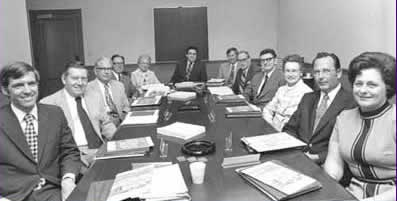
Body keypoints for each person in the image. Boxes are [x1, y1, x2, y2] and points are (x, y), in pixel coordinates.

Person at [0, 62, 81, 201]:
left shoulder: (55, 114)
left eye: (31, 83)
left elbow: (69, 151)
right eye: (18, 85)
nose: (27, 90)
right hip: (14, 196)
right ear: (5, 90)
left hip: (55, 190)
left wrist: (68, 180)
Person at [324, 52, 396, 201]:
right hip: (353, 193)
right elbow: (334, 164)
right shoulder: (343, 118)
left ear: (387, 88)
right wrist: (328, 186)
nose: (362, 90)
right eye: (358, 83)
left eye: (372, 85)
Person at [282, 52, 356, 165]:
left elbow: (349, 146)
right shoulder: (308, 98)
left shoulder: (351, 103)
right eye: (317, 72)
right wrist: (296, 151)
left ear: (339, 73)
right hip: (297, 158)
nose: (321, 76)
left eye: (326, 71)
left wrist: (318, 157)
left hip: (328, 165)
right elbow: (290, 129)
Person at [40, 61, 116, 152]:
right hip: (72, 153)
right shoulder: (48, 103)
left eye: (83, 79)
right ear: (64, 79)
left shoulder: (94, 97)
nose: (80, 83)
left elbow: (106, 123)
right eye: (75, 78)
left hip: (99, 148)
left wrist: (118, 140)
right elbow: (50, 141)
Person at [262, 54, 312, 131]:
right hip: (272, 130)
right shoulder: (281, 90)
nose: (290, 75)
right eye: (287, 71)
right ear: (283, 73)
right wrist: (270, 124)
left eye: (294, 71)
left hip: (291, 134)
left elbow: (302, 124)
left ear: (301, 73)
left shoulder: (307, 93)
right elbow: (267, 109)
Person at [86, 57, 130, 126]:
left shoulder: (119, 85)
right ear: (95, 71)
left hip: (121, 122)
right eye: (103, 69)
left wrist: (123, 117)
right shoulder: (88, 88)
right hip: (102, 125)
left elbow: (126, 106)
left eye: (109, 69)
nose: (106, 72)